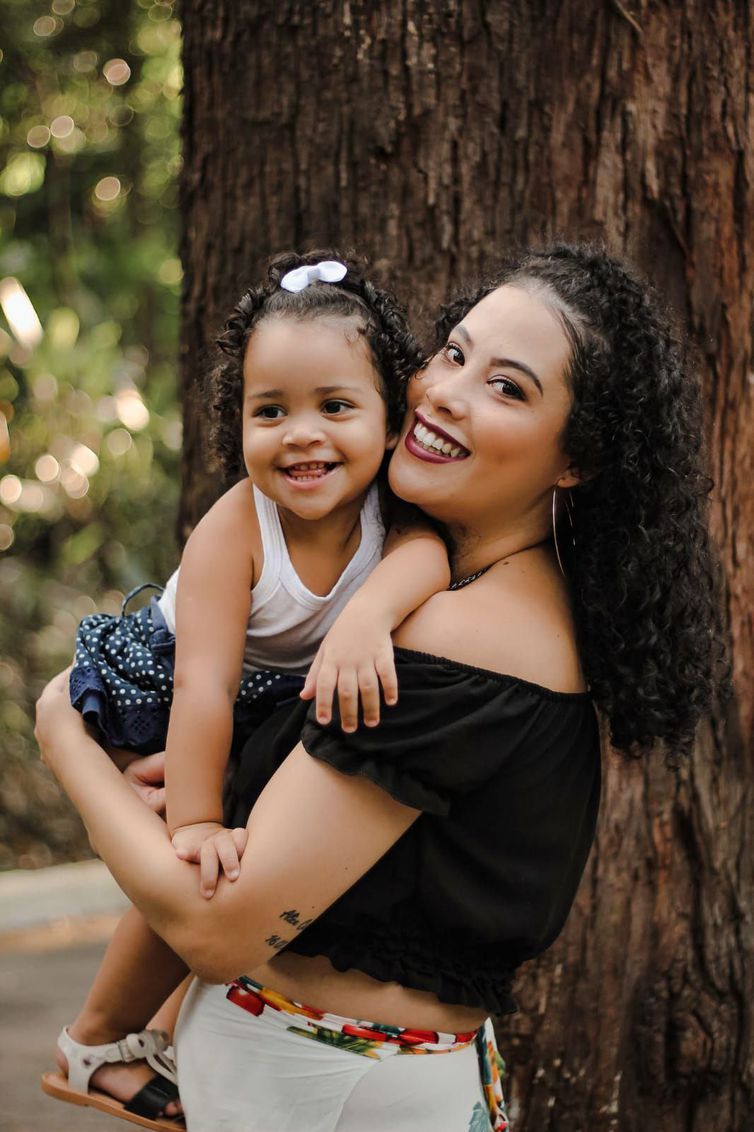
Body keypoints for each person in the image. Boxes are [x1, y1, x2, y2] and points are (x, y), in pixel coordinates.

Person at [36, 244, 725, 1132]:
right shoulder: (455, 581)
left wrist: (62, 732)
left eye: (508, 387)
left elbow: (219, 931)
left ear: (576, 459)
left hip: (327, 1093)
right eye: (454, 352)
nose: (444, 390)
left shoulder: (466, 637)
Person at [43, 251, 452, 1129]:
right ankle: (96, 1043)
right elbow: (201, 687)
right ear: (239, 427)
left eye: (335, 407)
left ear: (391, 427)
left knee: (247, 866)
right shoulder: (237, 528)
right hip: (159, 688)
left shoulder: (395, 514)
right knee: (199, 875)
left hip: (260, 702)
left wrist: (368, 614)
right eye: (271, 412)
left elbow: (429, 557)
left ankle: (141, 1031)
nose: (301, 434)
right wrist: (195, 822)